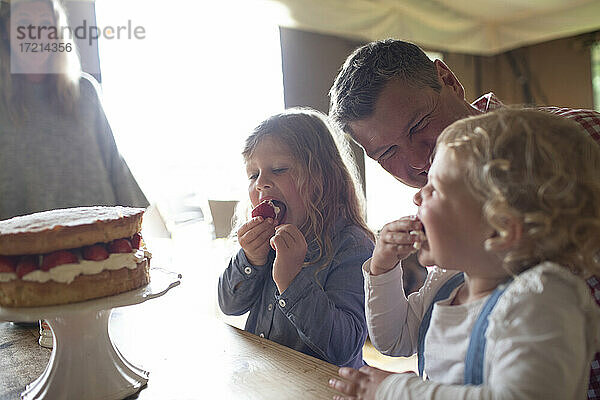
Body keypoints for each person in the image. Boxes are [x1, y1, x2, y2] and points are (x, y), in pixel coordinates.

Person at [328, 38, 600, 397]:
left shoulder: (576, 141)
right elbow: (398, 337)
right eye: (387, 152)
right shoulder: (458, 252)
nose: (416, 162)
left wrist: (398, 391)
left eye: (418, 125)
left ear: (449, 80)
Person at [218, 108, 375, 368]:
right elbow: (228, 305)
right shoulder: (263, 241)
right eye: (253, 175)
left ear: (322, 178)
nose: (261, 183)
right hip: (267, 380)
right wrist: (250, 260)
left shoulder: (352, 245)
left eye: (278, 169)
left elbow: (344, 347)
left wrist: (292, 281)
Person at [0, 0, 148, 221]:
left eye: (45, 24)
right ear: (6, 33)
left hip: (104, 247)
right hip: (30, 252)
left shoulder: (86, 92)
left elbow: (117, 169)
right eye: (23, 23)